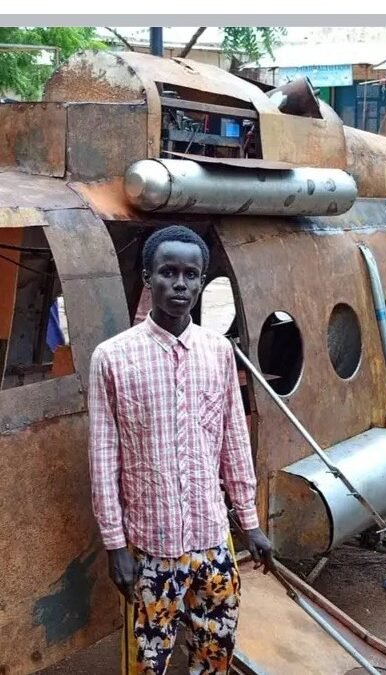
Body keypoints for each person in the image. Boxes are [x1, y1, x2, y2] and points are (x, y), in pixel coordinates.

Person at [88, 225, 274, 674]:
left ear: (201, 280)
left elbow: (233, 443)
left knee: (216, 650)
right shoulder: (112, 358)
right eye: (168, 272)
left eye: (191, 275)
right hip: (152, 547)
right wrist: (115, 547)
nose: (180, 284)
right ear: (149, 277)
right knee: (146, 660)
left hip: (214, 541)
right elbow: (102, 460)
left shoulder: (218, 352)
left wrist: (250, 525)